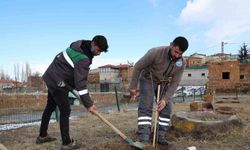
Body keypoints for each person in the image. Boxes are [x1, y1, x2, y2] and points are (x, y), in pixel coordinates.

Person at [36, 35, 108, 150]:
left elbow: (70, 68)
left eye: (101, 52)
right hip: (58, 82)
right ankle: (66, 143)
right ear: (93, 43)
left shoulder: (79, 44)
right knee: (65, 110)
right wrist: (89, 104)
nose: (99, 53)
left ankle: (42, 136)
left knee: (50, 106)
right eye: (98, 50)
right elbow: (81, 84)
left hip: (51, 75)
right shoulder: (84, 58)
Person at [129, 36, 188, 146]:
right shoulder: (155, 52)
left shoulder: (182, 63)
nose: (177, 55)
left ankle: (160, 136)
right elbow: (137, 67)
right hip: (148, 79)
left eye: (180, 54)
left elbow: (175, 82)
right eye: (175, 52)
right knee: (146, 105)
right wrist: (133, 87)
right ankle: (144, 138)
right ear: (171, 45)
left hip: (164, 82)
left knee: (167, 107)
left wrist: (165, 99)